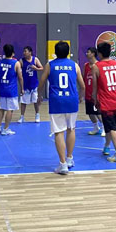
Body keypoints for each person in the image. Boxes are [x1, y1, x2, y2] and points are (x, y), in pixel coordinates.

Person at [38, 41, 85, 175]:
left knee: (59, 132)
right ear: (68, 52)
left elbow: (41, 83)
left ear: (55, 52)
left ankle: (63, 164)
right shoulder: (75, 65)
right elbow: (82, 85)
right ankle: (69, 159)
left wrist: (39, 95)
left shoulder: (50, 65)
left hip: (57, 101)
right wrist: (81, 97)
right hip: (72, 100)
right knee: (71, 129)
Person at [92, 42, 116, 163]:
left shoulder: (96, 67)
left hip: (106, 101)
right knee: (110, 126)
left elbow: (95, 87)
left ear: (99, 53)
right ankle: (107, 146)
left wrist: (94, 99)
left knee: (112, 128)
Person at [0, 44, 23, 136]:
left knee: (2, 108)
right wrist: (22, 88)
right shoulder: (16, 63)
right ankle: (6, 129)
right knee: (10, 109)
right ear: (13, 53)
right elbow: (20, 77)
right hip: (11, 90)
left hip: (2, 89)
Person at [18, 46, 43, 123]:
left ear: (30, 52)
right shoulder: (21, 61)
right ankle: (22, 117)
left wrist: (36, 68)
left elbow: (42, 68)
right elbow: (17, 70)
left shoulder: (35, 59)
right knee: (23, 102)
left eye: (25, 51)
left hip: (34, 84)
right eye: (24, 51)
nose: (24, 53)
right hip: (25, 85)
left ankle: (37, 115)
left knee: (36, 101)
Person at [83, 47, 105, 137]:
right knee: (90, 113)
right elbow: (84, 78)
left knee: (98, 113)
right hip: (88, 94)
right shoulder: (86, 65)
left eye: (88, 52)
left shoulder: (99, 65)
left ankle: (104, 128)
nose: (86, 53)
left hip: (97, 95)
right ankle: (96, 128)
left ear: (93, 54)